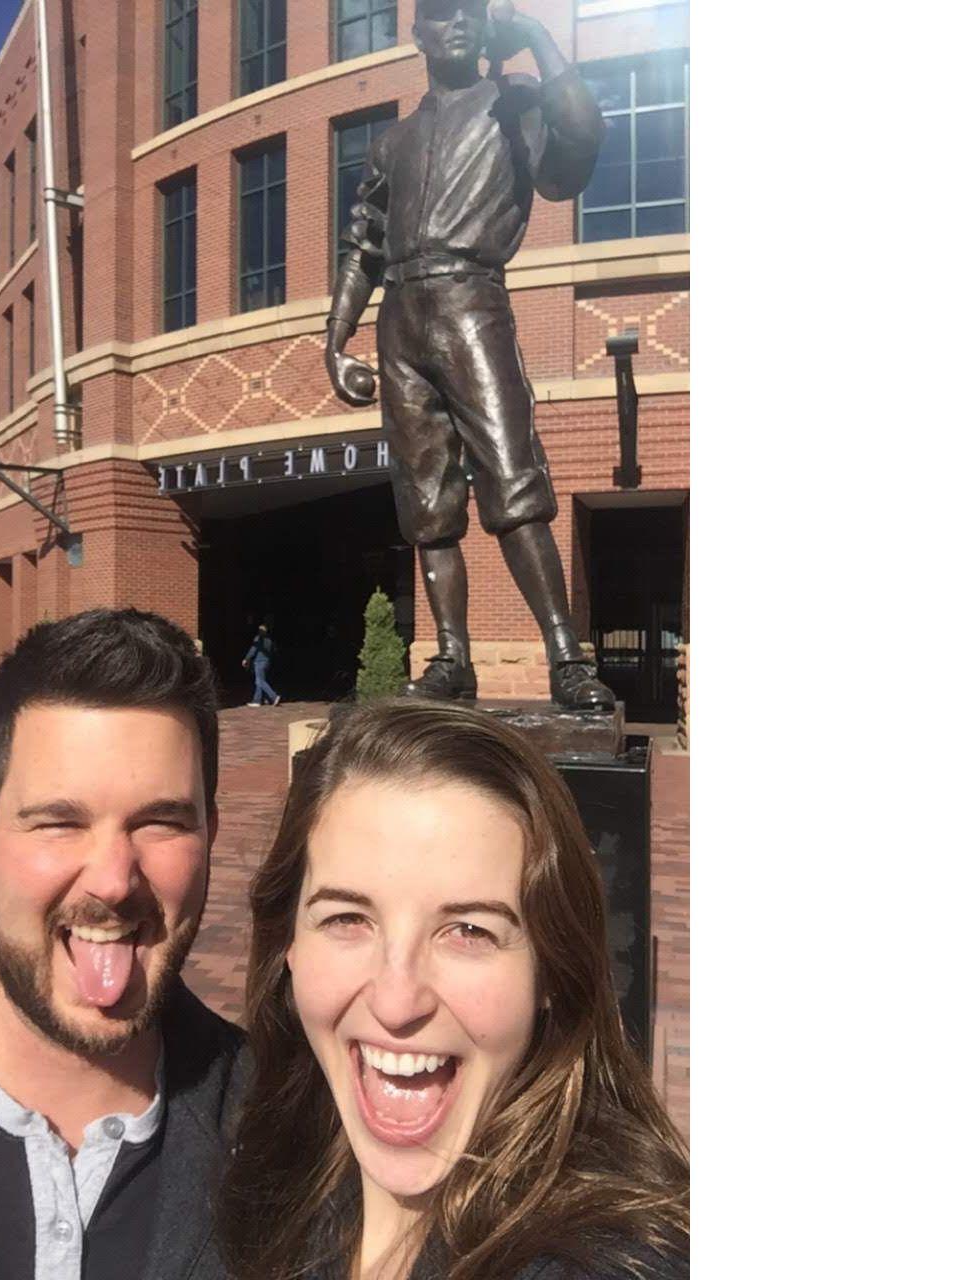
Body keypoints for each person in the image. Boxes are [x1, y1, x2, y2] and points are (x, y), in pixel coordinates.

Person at [219, 700, 689, 1280]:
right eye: (347, 918)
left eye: (469, 931)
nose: (396, 1002)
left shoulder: (610, 1260)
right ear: (288, 941)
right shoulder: (275, 1168)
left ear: (552, 967)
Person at [323, 0, 615, 711]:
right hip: (401, 318)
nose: (456, 24)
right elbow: (362, 242)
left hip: (471, 300)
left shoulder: (516, 104)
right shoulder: (393, 140)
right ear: (416, 32)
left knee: (513, 485)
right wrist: (335, 340)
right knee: (426, 504)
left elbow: (576, 147)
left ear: (487, 29)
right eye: (440, 13)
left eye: (468, 13)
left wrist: (540, 41)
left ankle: (566, 658)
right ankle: (451, 656)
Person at [0, 607, 248, 1280]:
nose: (114, 881)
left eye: (160, 822)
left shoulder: (280, 1139)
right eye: (59, 822)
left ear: (209, 835)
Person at [241, 623, 281, 707]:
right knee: (259, 681)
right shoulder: (270, 640)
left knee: (260, 681)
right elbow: (274, 650)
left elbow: (253, 649)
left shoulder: (258, 638)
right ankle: (257, 700)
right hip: (267, 662)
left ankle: (274, 696)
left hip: (259, 661)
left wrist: (246, 658)